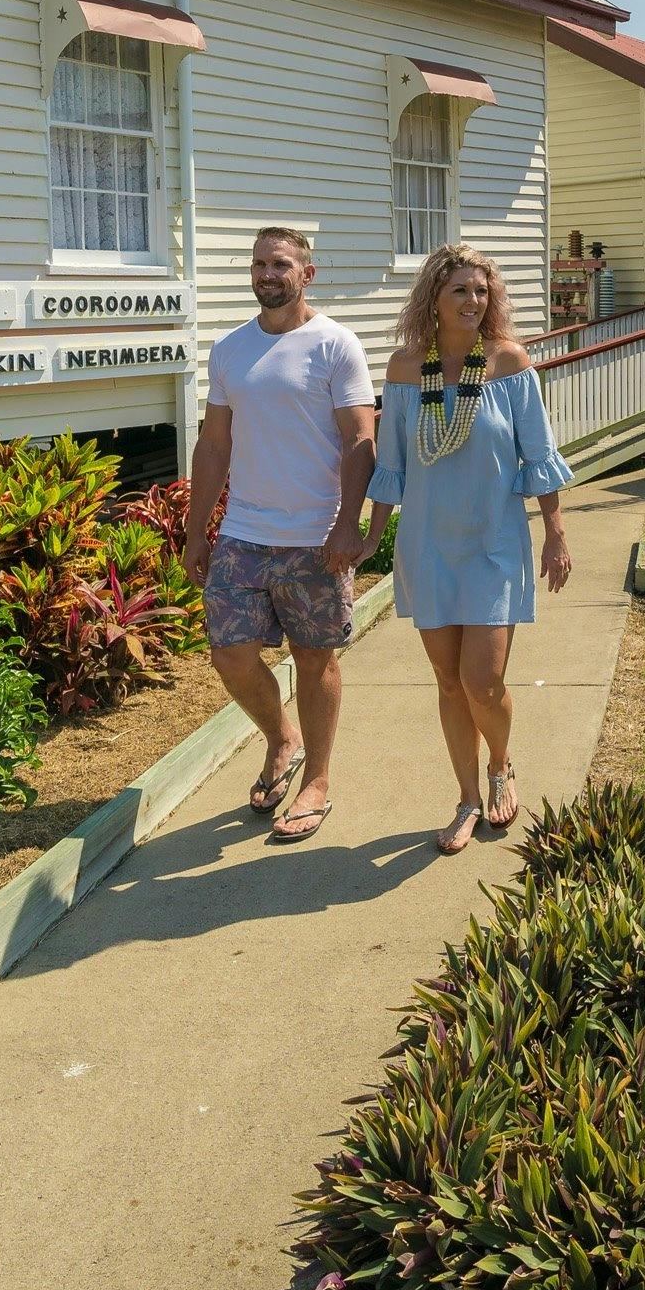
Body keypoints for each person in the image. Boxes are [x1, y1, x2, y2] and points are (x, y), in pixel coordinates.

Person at [368, 242, 574, 855]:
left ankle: (500, 764)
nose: (473, 301)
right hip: (427, 546)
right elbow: (391, 468)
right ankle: (464, 799)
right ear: (433, 295)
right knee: (448, 681)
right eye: (460, 289)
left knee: (482, 681)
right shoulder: (407, 370)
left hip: (493, 545)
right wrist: (369, 539)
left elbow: (538, 455)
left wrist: (555, 531)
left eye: (482, 291)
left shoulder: (508, 364)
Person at [182, 226, 377, 844]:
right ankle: (282, 737)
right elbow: (214, 445)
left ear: (307, 274)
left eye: (281, 264)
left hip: (314, 536)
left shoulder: (335, 345)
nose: (268, 273)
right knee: (230, 653)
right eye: (260, 263)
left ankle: (316, 779)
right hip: (244, 531)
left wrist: (350, 524)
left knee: (315, 659)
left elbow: (360, 440)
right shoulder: (230, 349)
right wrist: (196, 532)